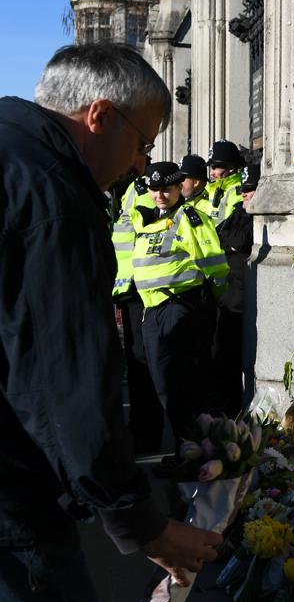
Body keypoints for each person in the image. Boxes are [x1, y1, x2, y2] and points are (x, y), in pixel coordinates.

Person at [0, 43, 220, 602]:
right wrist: (140, 522)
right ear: (99, 116)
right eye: (143, 142)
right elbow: (64, 377)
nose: (141, 162)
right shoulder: (52, 196)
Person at [132, 162, 229, 439]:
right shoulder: (147, 220)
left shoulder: (190, 218)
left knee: (184, 383)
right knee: (162, 383)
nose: (159, 195)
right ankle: (185, 444)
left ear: (178, 187)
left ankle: (192, 448)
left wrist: (207, 302)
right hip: (151, 311)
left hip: (180, 308)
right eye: (154, 190)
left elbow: (215, 266)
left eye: (166, 189)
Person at [111, 174, 165, 454]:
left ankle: (146, 434)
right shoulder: (132, 188)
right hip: (128, 289)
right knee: (136, 363)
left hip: (141, 289)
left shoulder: (145, 189)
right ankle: (140, 429)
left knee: (143, 363)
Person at [214, 164, 258, 414]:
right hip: (228, 296)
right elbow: (219, 235)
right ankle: (228, 412)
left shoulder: (254, 215)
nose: (244, 195)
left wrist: (231, 244)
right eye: (243, 191)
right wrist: (231, 245)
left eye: (249, 191)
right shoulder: (239, 211)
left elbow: (241, 240)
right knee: (225, 356)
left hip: (242, 297)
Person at [204, 139, 243, 226]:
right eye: (211, 168)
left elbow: (231, 228)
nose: (211, 173)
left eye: (215, 167)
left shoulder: (237, 192)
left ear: (231, 168)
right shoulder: (213, 187)